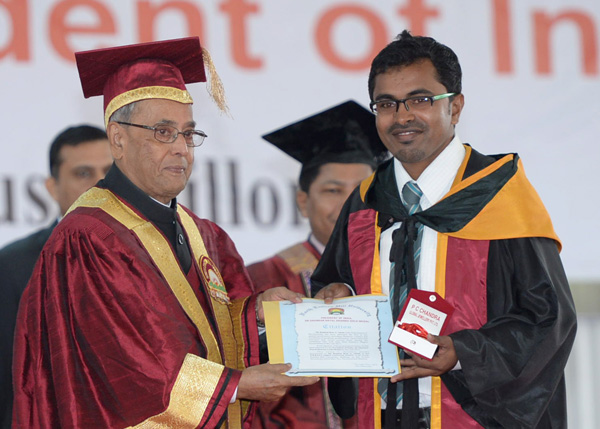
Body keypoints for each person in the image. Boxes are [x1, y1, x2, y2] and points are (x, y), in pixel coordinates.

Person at [12, 37, 318, 428]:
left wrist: (255, 313)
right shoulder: (87, 238)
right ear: (118, 139)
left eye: (188, 133)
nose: (182, 149)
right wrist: (234, 387)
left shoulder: (204, 234)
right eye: (163, 132)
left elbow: (202, 331)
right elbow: (123, 366)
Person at [312, 30, 577, 429]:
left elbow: (549, 318)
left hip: (475, 415)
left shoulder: (499, 194)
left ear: (454, 107)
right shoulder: (367, 200)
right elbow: (334, 281)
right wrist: (337, 294)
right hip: (380, 415)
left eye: (420, 100)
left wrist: (464, 352)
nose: (402, 116)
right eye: (386, 104)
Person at [247, 100, 388, 429]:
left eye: (361, 190)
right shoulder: (264, 278)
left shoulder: (400, 271)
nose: (348, 203)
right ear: (303, 201)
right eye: (333, 190)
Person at [0, 124, 111, 429]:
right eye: (83, 173)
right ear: (52, 187)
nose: (101, 184)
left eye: (110, 171)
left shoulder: (152, 257)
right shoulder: (12, 267)